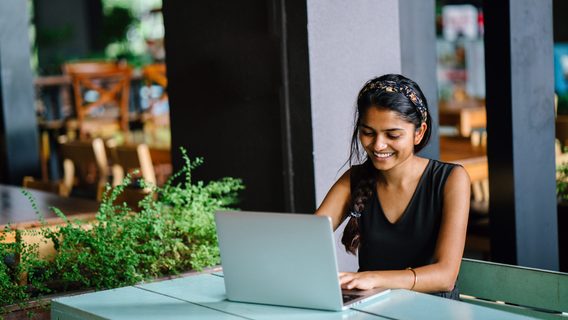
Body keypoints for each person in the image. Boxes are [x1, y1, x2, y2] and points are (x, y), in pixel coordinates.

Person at [315, 74, 470, 299]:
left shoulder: (451, 179)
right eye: (368, 133)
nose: (378, 145)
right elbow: (307, 240)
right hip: (372, 308)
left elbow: (445, 277)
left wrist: (374, 278)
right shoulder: (355, 179)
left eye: (393, 134)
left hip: (434, 310)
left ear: (419, 132)